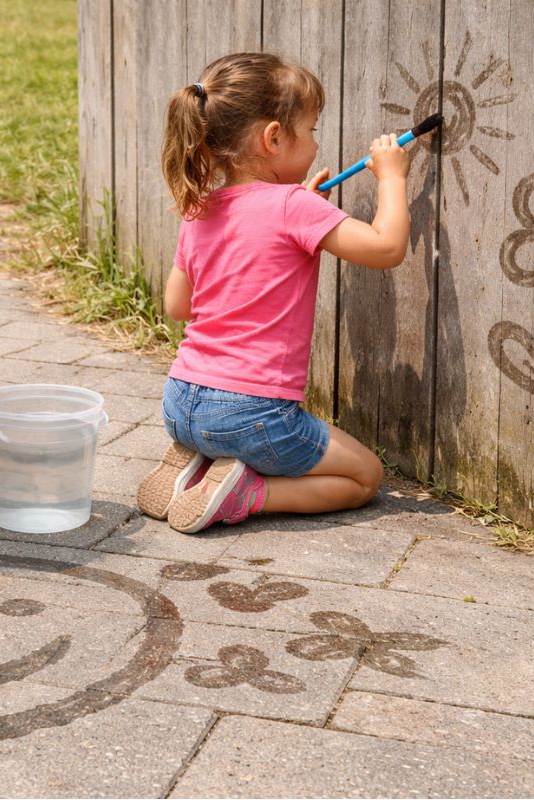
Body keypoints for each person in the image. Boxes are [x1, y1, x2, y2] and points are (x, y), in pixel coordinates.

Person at [136, 52, 411, 534]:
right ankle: (249, 492)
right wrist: (392, 177)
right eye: (311, 130)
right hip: (251, 414)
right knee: (365, 477)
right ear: (274, 138)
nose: (315, 141)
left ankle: (198, 462)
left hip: (179, 402)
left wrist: (300, 214)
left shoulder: (199, 208)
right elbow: (386, 248)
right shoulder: (293, 207)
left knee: (219, 431)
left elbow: (177, 306)